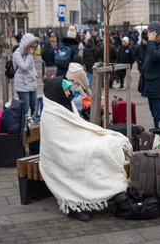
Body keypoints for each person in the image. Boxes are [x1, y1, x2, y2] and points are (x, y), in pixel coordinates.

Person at [39, 76, 131, 222]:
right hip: (63, 154)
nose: (69, 93)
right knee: (94, 154)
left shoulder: (65, 104)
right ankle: (74, 204)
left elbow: (78, 127)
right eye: (67, 91)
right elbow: (57, 143)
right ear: (58, 92)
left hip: (76, 143)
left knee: (110, 143)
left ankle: (115, 190)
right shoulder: (51, 112)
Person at [13, 33, 40, 116]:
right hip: (22, 85)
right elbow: (24, 67)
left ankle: (34, 126)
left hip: (31, 83)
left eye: (34, 47)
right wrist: (29, 56)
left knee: (34, 107)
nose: (33, 49)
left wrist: (35, 75)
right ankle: (24, 126)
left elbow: (32, 67)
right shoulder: (17, 54)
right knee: (25, 108)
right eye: (31, 47)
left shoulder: (30, 54)